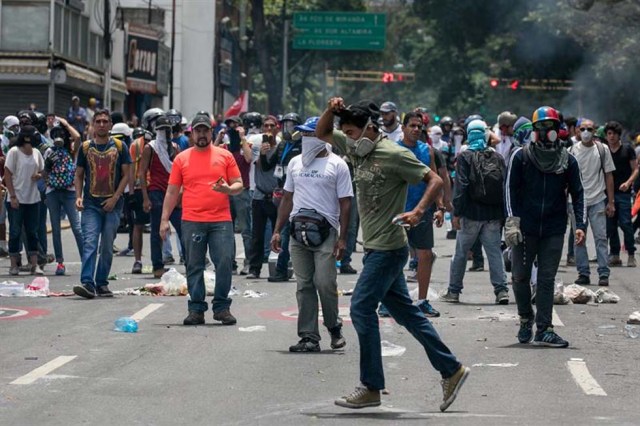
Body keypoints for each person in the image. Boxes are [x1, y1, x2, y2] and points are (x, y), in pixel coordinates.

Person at [316, 97, 469, 412]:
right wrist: (331, 110)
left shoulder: (394, 153)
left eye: (353, 133)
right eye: (345, 132)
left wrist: (418, 210)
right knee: (408, 315)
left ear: (369, 128)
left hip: (388, 249)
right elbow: (322, 133)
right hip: (375, 247)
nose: (349, 139)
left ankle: (371, 386)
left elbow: (436, 180)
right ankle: (451, 369)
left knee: (360, 309)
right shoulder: (357, 147)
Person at [505, 106, 586, 347]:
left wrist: (579, 224)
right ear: (533, 131)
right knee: (519, 276)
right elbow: (509, 191)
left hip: (553, 228)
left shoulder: (568, 160)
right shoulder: (521, 156)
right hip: (524, 228)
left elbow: (578, 194)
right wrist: (512, 222)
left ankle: (544, 328)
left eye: (550, 127)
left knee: (546, 279)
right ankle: (524, 317)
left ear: (557, 131)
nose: (545, 132)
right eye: (540, 128)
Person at [270, 116, 353, 352]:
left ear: (322, 136)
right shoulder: (296, 163)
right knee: (304, 284)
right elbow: (287, 198)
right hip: (297, 233)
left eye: (310, 134)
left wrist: (343, 237)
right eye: (303, 134)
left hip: (326, 232)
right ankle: (308, 337)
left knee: (325, 282)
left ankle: (334, 327)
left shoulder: (338, 165)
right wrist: (277, 231)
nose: (305, 138)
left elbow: (346, 203)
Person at [162, 114, 243, 326]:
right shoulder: (182, 159)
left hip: (221, 221)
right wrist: (164, 220)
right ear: (192, 133)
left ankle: (222, 307)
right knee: (194, 265)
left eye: (205, 130)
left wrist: (227, 189)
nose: (201, 134)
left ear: (211, 132)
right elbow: (171, 192)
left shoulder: (224, 156)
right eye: (197, 130)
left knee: (224, 262)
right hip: (192, 220)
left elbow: (239, 184)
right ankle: (196, 309)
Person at [441, 119, 510, 304]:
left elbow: (461, 186)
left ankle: (454, 291)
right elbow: (504, 187)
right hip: (493, 215)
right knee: (494, 252)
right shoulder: (497, 157)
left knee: (461, 252)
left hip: (471, 214)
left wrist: (456, 213)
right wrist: (504, 214)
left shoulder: (465, 156)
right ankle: (501, 290)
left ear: (469, 135)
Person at [73, 110, 131, 299]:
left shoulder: (120, 147)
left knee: (107, 244)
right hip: (91, 204)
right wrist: (78, 196)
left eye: (105, 121)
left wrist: (114, 198)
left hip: (113, 204)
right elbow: (79, 174)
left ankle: (102, 282)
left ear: (110, 125)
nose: (102, 124)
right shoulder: (85, 147)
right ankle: (87, 283)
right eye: (98, 121)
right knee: (90, 242)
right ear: (93, 124)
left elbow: (126, 176)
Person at [397, 112, 444, 318]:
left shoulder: (428, 151)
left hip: (422, 210)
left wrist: (440, 207)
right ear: (403, 127)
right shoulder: (394, 150)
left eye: (419, 126)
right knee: (394, 257)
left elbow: (435, 180)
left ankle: (422, 301)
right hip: (398, 210)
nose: (416, 129)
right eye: (412, 126)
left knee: (425, 255)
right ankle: (389, 301)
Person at [569, 118, 615, 286]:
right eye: (582, 129)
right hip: (577, 202)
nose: (586, 132)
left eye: (589, 128)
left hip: (597, 200)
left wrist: (611, 202)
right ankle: (583, 273)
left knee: (601, 238)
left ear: (595, 131)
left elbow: (609, 176)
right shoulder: (571, 151)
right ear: (577, 132)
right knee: (579, 238)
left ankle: (603, 273)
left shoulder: (602, 150)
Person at [140, 114, 184, 278]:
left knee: (182, 228)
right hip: (156, 193)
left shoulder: (175, 148)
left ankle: (189, 261)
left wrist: (180, 193)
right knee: (157, 232)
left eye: (168, 130)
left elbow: (181, 173)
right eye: (162, 130)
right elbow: (142, 173)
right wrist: (145, 197)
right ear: (156, 131)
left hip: (172, 193)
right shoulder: (150, 148)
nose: (165, 133)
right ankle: (157, 265)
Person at [43, 119, 83, 275]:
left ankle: (86, 259)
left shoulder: (72, 150)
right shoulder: (49, 151)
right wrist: (47, 165)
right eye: (56, 134)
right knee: (55, 229)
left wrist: (65, 125)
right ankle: (60, 263)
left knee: (77, 227)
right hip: (52, 192)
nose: (59, 137)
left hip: (70, 192)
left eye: (61, 135)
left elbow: (78, 137)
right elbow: (44, 174)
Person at [3, 125, 45, 275]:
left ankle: (34, 264)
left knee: (32, 232)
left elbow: (42, 171)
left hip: (33, 198)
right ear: (26, 137)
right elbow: (7, 175)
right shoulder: (14, 152)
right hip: (16, 199)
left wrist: (39, 176)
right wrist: (12, 196)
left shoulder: (37, 153)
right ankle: (14, 264)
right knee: (14, 231)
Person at [245, 115, 280, 279]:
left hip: (277, 196)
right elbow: (254, 162)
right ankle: (254, 268)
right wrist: (262, 154)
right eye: (265, 126)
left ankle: (280, 267)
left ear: (277, 127)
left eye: (271, 126)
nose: (268, 129)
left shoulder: (281, 146)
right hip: (259, 195)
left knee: (278, 233)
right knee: (257, 235)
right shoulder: (258, 145)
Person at [604, 121, 637, 267]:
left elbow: (636, 169)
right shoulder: (604, 151)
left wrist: (628, 182)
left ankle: (631, 254)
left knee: (625, 224)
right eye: (609, 134)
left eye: (614, 134)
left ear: (619, 135)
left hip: (623, 194)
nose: (611, 136)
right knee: (610, 226)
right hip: (607, 194)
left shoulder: (627, 149)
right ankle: (615, 254)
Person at [222, 116, 253, 275]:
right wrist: (218, 137)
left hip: (242, 191)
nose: (232, 128)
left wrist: (242, 138)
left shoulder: (245, 145)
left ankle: (248, 262)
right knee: (227, 230)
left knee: (246, 229)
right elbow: (211, 155)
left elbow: (249, 158)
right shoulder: (225, 147)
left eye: (235, 125)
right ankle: (231, 263)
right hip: (227, 192)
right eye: (229, 125)